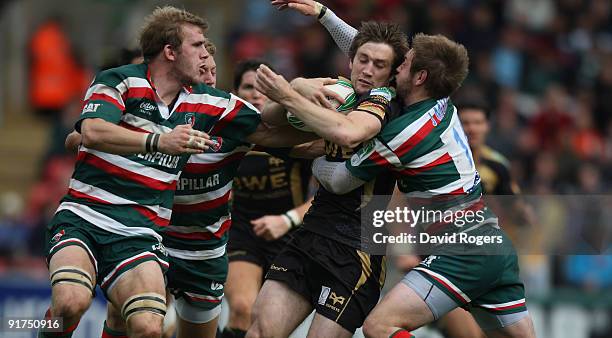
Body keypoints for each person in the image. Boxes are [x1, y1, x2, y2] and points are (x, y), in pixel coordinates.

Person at [48, 6, 315, 338]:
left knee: (148, 328)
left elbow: (276, 131)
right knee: (71, 303)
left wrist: (315, 108)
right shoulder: (119, 79)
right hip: (90, 218)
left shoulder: (215, 107)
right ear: (170, 52)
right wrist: (159, 141)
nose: (206, 55)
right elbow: (91, 132)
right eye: (198, 46)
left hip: (157, 238)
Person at [311, 33, 536, 338]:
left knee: (379, 327)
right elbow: (374, 53)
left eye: (403, 64)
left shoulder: (404, 135)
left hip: (461, 249)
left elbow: (338, 181)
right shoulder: (442, 100)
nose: (394, 67)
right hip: (492, 244)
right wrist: (324, 13)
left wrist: (316, 158)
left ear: (420, 76)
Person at [246, 12, 410, 338]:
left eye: (379, 65)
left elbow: (347, 137)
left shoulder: (388, 107)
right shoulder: (338, 94)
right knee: (260, 331)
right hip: (312, 233)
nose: (368, 69)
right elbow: (268, 124)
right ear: (350, 60)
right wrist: (297, 88)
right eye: (363, 60)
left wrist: (288, 94)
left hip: (356, 251)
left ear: (392, 75)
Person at [223, 60, 316, 338]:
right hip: (241, 232)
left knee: (269, 325)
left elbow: (328, 195)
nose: (255, 93)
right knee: (242, 308)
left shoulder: (296, 134)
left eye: (262, 87)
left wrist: (287, 219)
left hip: (290, 235)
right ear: (235, 92)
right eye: (248, 87)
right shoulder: (224, 133)